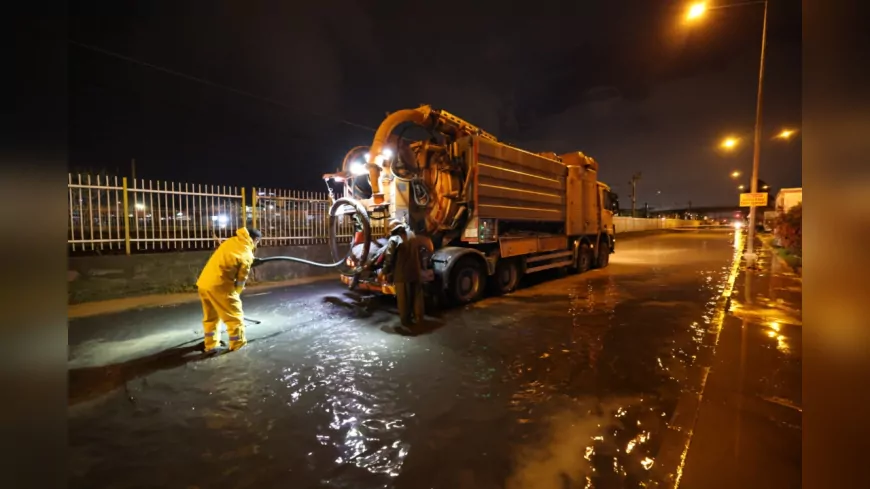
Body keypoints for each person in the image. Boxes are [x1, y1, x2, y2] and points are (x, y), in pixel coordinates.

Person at [196, 226, 262, 353]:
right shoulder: (246, 254)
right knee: (235, 318)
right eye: (257, 242)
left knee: (211, 317)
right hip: (220, 286)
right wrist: (236, 293)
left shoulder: (230, 241)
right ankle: (238, 344)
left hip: (204, 283)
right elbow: (241, 280)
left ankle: (211, 344)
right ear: (256, 240)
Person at [380, 220, 425, 328]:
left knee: (403, 299)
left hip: (402, 275)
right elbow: (419, 253)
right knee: (417, 297)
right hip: (415, 272)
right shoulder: (412, 235)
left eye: (389, 229)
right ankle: (419, 318)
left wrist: (384, 272)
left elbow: (389, 258)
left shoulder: (394, 239)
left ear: (393, 228)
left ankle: (406, 321)